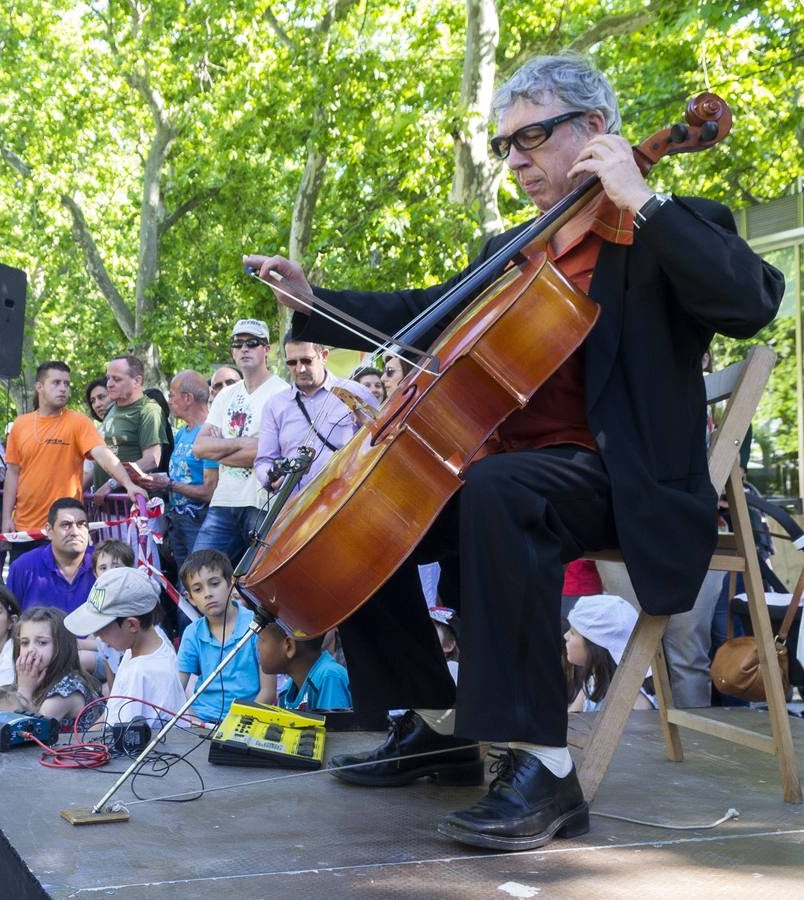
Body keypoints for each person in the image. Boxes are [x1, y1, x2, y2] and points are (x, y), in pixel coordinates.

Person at [243, 54, 782, 850]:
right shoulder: (517, 246)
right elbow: (427, 311)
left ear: (596, 130)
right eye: (506, 146)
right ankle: (439, 723)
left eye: (531, 137)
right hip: (511, 473)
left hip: (618, 477)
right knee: (369, 511)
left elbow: (753, 300)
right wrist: (314, 302)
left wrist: (647, 200)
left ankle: (545, 767)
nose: (516, 160)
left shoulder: (670, 222)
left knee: (498, 487)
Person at [2, 361, 143, 552]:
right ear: (39, 386)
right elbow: (12, 473)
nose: (63, 389)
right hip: (25, 528)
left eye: (67, 384)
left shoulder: (79, 422)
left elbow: (103, 455)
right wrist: (5, 518)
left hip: (67, 528)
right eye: (56, 383)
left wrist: (128, 484)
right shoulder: (20, 424)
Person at [192, 319, 285, 563]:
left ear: (266, 349)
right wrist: (247, 444)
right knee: (197, 573)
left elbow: (267, 453)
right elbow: (199, 447)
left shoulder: (282, 393)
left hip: (263, 504)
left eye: (253, 343)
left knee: (261, 584)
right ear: (232, 351)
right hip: (223, 501)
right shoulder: (225, 395)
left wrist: (220, 448)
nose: (245, 348)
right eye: (239, 343)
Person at [64, 566, 186, 727]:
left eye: (101, 630)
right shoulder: (148, 644)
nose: (98, 636)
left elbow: (118, 736)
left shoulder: (140, 672)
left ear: (132, 625)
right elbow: (111, 713)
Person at [255, 332, 377, 492]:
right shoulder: (275, 405)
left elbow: (381, 438)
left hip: (348, 497)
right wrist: (271, 478)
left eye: (306, 360)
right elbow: (264, 460)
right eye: (292, 362)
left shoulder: (354, 392)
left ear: (324, 356)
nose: (300, 368)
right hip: (297, 506)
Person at [176, 550, 275, 724]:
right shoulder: (192, 633)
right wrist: (194, 720)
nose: (207, 593)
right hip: (203, 722)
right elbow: (177, 688)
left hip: (248, 721)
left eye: (214, 584)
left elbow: (268, 692)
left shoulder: (257, 626)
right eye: (198, 589)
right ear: (190, 598)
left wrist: (241, 725)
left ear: (231, 584)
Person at [136, 369, 217, 573]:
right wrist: (157, 480)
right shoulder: (182, 433)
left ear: (188, 398)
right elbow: (181, 476)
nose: (169, 400)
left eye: (172, 395)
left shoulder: (210, 432)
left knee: (200, 576)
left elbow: (210, 491)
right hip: (177, 521)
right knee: (185, 579)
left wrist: (169, 484)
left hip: (199, 521)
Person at [565, 594, 654, 712]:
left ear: (595, 646)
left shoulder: (634, 703)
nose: (565, 636)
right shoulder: (594, 683)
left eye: (572, 633)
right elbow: (571, 720)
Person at [5, 498, 95, 613]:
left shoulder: (103, 563)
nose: (75, 532)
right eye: (66, 525)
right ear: (49, 531)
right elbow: (10, 618)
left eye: (81, 525)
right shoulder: (23, 567)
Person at [13, 606, 100, 724]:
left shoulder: (66, 691)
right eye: (24, 643)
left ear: (62, 647)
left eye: (42, 642)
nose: (30, 650)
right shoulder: (32, 680)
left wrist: (24, 691)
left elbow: (29, 732)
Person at [92, 356, 164, 495]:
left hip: (133, 506)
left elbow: (152, 460)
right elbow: (99, 461)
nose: (109, 384)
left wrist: (112, 484)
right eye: (108, 378)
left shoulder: (149, 409)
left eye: (116, 379)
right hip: (105, 504)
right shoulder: (111, 409)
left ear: (137, 381)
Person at [257, 621, 352, 711]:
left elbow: (333, 727)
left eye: (261, 640)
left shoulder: (330, 677)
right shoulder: (287, 690)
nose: (257, 647)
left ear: (289, 646)